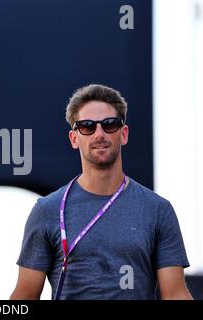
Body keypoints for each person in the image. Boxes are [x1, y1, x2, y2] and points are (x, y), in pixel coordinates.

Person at [10, 84, 192, 300]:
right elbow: (24, 296)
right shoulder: (47, 210)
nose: (99, 134)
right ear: (74, 138)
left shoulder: (157, 210)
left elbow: (175, 295)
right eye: (87, 126)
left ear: (123, 134)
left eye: (109, 125)